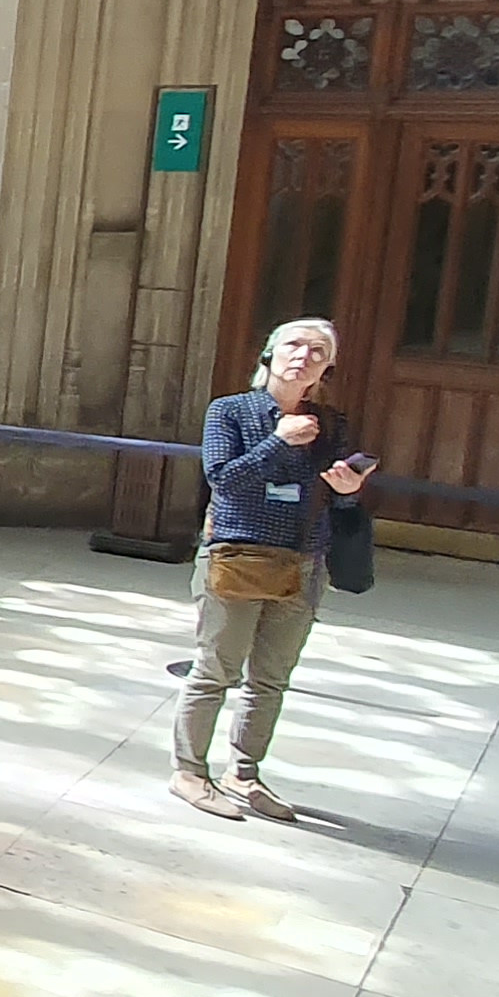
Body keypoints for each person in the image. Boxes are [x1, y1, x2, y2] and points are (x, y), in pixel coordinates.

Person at [171, 316, 372, 821]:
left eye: (319, 351)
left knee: (272, 677)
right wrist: (279, 442)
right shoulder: (231, 411)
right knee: (216, 668)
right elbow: (223, 479)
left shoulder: (332, 424)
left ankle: (245, 772)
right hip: (237, 556)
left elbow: (328, 495)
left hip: (303, 561)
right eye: (295, 345)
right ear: (270, 354)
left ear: (327, 368)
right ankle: (189, 772)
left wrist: (348, 494)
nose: (304, 356)